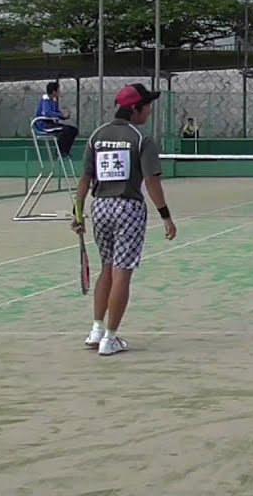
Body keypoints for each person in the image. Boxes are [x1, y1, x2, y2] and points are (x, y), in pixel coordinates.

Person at [72, 83, 176, 357]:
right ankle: (111, 337)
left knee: (106, 268)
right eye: (147, 105)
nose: (150, 111)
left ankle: (96, 329)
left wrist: (78, 213)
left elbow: (85, 179)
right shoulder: (142, 139)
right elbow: (152, 181)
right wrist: (166, 216)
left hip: (100, 208)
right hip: (128, 208)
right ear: (135, 108)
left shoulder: (97, 136)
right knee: (122, 272)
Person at [35, 81, 79, 157]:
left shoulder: (53, 100)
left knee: (73, 130)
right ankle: (59, 151)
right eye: (58, 90)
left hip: (51, 124)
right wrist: (61, 115)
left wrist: (64, 116)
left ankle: (66, 150)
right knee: (65, 130)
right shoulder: (46, 100)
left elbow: (56, 112)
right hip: (44, 125)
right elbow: (47, 113)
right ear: (54, 91)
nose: (59, 92)